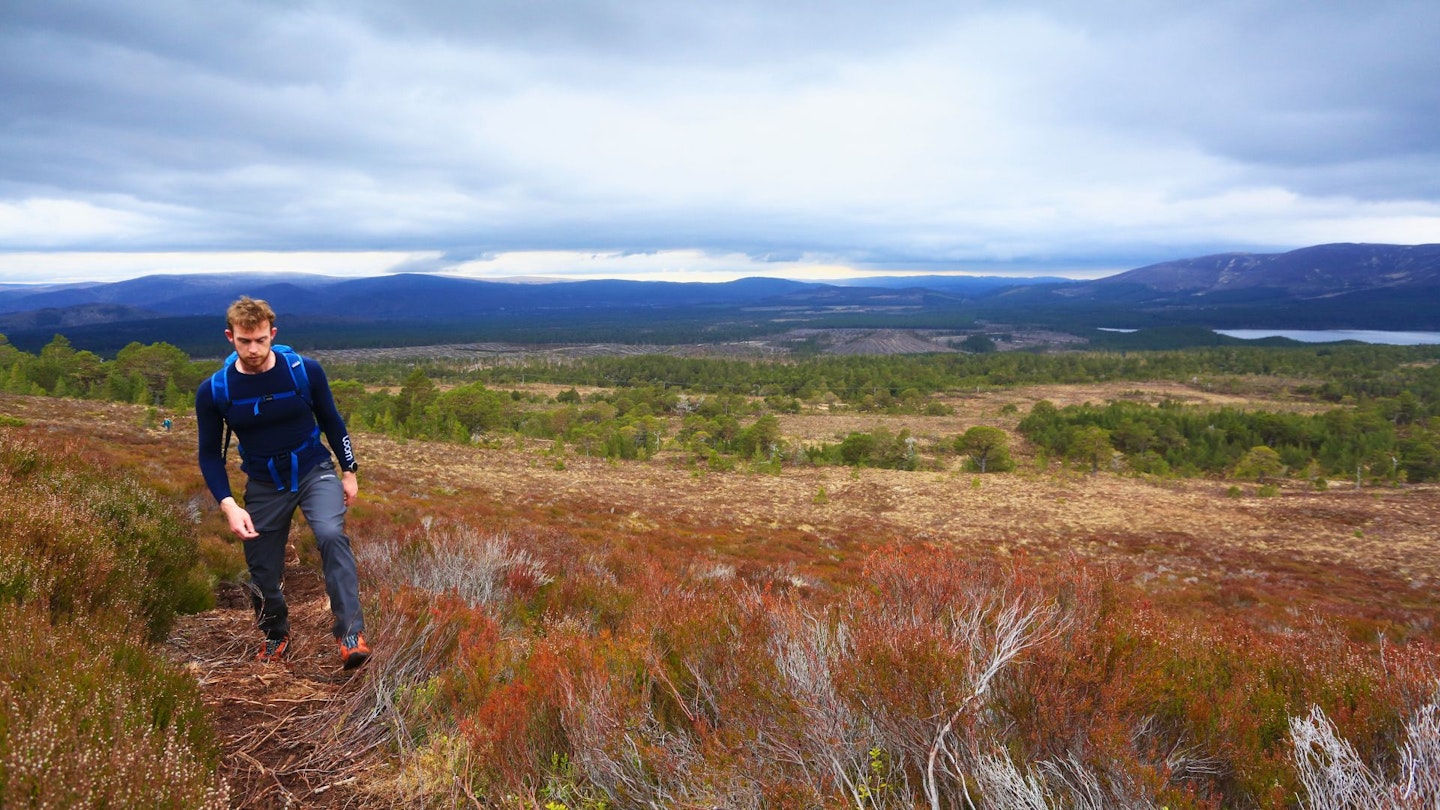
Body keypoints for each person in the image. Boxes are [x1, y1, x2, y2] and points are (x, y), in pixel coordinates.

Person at [195, 296, 371, 669]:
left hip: (313, 469)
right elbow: (209, 454)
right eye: (245, 341)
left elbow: (332, 421)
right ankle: (276, 634)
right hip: (263, 481)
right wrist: (228, 503)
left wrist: (349, 470)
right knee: (262, 567)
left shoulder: (304, 371)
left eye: (261, 339)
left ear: (272, 333)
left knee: (330, 534)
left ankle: (350, 633)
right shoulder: (215, 390)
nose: (254, 349)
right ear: (230, 337)